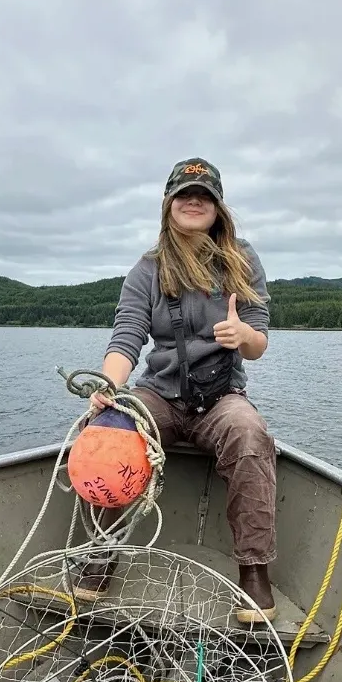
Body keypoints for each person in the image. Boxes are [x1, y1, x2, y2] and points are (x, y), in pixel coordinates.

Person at [77, 156, 278, 624]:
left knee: (249, 435)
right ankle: (102, 552)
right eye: (184, 194)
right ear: (168, 203)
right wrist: (110, 387)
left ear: (218, 206)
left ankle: (254, 571)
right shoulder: (147, 269)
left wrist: (242, 335)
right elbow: (127, 335)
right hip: (161, 396)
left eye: (204, 195)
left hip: (221, 398)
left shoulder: (243, 260)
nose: (194, 201)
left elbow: (259, 342)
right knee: (109, 429)